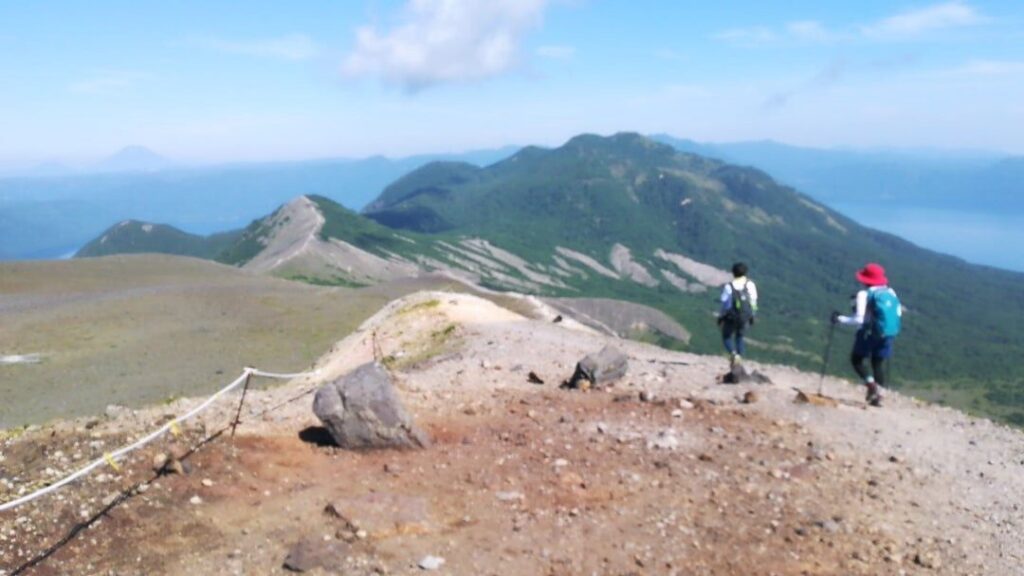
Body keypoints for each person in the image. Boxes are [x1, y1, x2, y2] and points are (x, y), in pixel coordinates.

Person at [831, 262, 902, 407]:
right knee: (878, 363)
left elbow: (859, 319)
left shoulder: (863, 294)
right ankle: (878, 398)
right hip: (888, 333)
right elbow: (898, 313)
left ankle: (871, 385)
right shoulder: (890, 292)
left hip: (868, 334)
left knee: (856, 360)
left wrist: (839, 319)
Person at [717, 262, 758, 368]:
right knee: (740, 337)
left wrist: (721, 316)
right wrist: (752, 315)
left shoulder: (729, 286)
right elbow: (753, 301)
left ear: (733, 273)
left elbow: (724, 303)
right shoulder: (750, 285)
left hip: (732, 316)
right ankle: (739, 360)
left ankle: (733, 354)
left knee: (726, 336)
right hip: (745, 316)